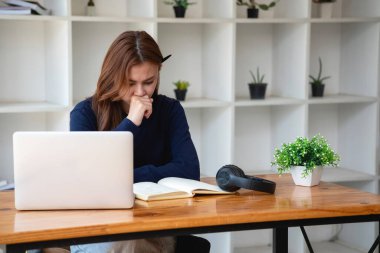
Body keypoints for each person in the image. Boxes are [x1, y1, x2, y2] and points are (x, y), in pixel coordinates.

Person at [69, 31, 206, 253]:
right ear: (113, 76)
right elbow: (88, 179)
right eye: (130, 82)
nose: (140, 92)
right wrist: (131, 122)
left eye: (149, 82)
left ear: (158, 75)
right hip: (99, 224)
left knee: (132, 243)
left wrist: (121, 178)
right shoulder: (85, 113)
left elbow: (189, 171)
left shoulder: (170, 110)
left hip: (155, 225)